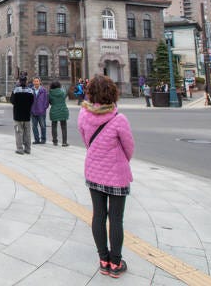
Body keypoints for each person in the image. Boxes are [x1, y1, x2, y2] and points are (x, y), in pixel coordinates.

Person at [78, 75, 134, 278]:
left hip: (94, 172)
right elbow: (129, 148)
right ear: (112, 93)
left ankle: (103, 260)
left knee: (98, 216)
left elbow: (86, 140)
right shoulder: (119, 119)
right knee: (116, 219)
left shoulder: (83, 115)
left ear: (91, 93)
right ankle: (116, 263)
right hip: (117, 175)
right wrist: (118, 160)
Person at [10, 76, 34, 154]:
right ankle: (28, 149)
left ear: (19, 82)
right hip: (27, 115)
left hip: (18, 115)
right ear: (26, 81)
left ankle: (20, 149)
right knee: (27, 133)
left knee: (19, 133)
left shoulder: (15, 90)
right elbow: (32, 101)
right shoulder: (30, 91)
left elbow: (12, 101)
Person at [48, 81, 69, 146]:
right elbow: (65, 97)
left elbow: (50, 102)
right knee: (64, 127)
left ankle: (55, 141)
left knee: (54, 126)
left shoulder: (50, 93)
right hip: (63, 110)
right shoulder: (63, 92)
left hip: (54, 110)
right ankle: (64, 142)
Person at [31, 77, 49, 144]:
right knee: (34, 126)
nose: (36, 82)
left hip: (41, 112)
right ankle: (36, 139)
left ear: (39, 82)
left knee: (43, 126)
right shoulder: (31, 90)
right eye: (35, 81)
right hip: (33, 111)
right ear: (33, 82)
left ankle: (43, 139)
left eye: (37, 81)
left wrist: (44, 108)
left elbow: (47, 100)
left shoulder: (44, 90)